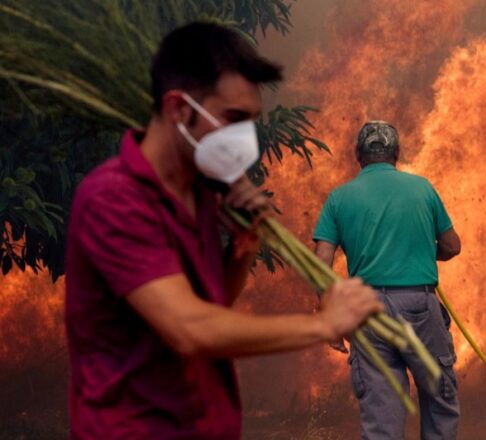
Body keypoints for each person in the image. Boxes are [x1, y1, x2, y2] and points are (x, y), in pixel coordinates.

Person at [64, 22, 383, 439]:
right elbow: (190, 329)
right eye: (233, 119)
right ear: (179, 109)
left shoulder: (200, 194)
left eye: (250, 121)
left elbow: (211, 305)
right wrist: (324, 324)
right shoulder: (115, 197)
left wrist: (242, 249)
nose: (244, 138)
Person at [313, 121, 462, 439]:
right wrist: (417, 251)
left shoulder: (339, 198)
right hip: (418, 307)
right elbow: (452, 246)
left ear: (358, 155)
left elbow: (320, 263)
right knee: (439, 400)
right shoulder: (422, 188)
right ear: (396, 153)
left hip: (367, 312)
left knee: (382, 415)